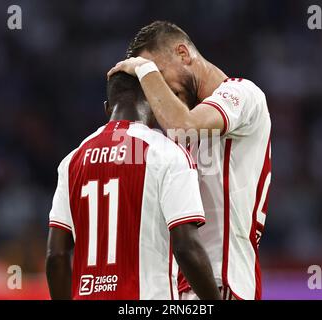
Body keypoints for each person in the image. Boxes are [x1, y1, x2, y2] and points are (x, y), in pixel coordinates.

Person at [108, 21, 272, 300]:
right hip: (180, 287)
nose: (155, 91)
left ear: (183, 54)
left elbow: (183, 125)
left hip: (224, 283)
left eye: (158, 74)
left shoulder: (244, 94)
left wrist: (143, 70)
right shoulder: (174, 137)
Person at [45, 72, 221, 300]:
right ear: (156, 100)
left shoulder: (72, 161)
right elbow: (186, 247)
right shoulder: (168, 154)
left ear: (108, 108)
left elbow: (56, 255)